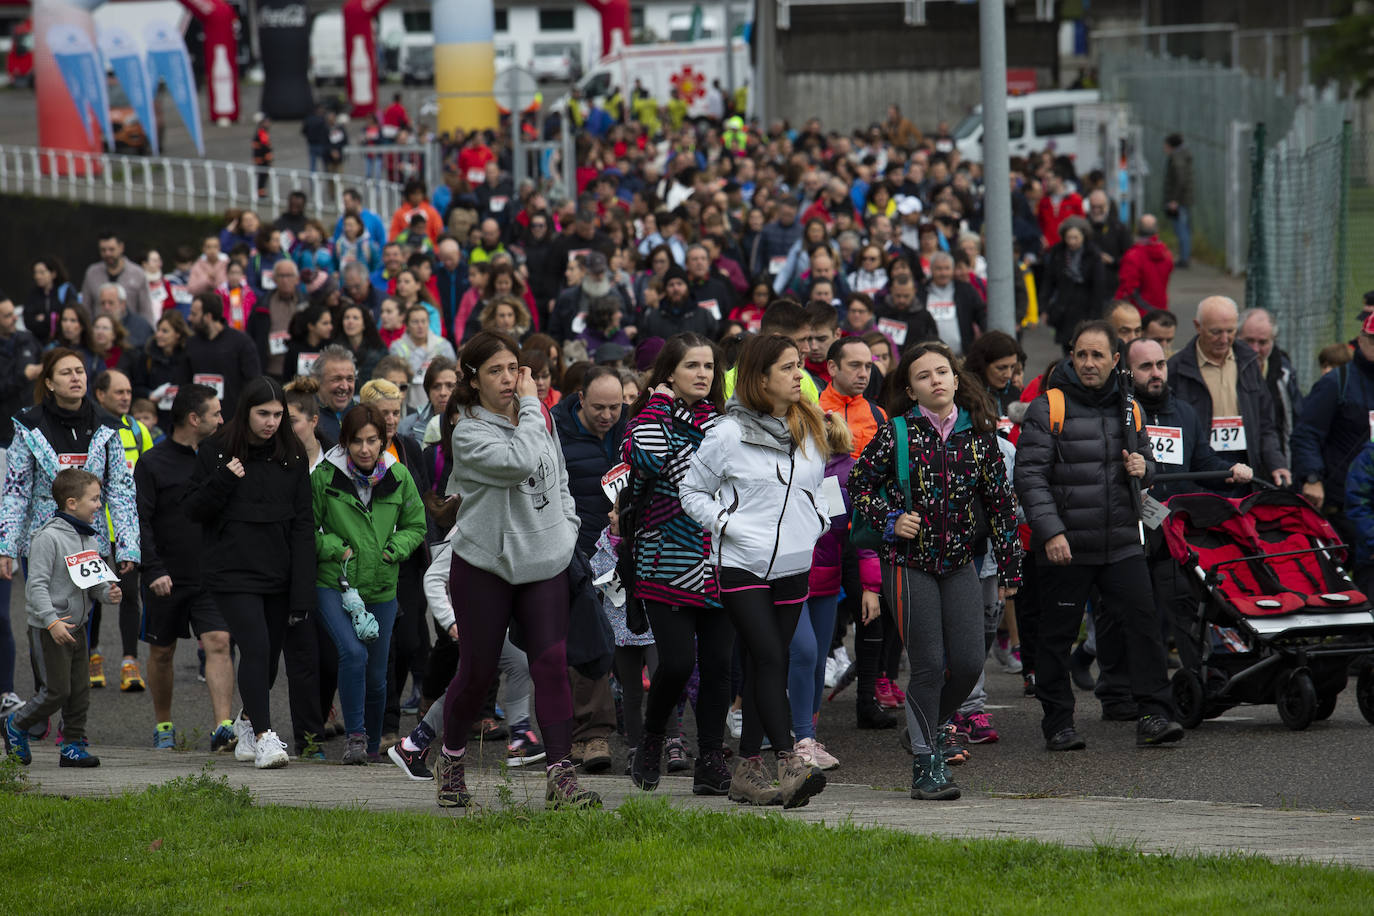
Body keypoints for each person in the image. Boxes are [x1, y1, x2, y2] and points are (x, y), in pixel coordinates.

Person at [434, 331, 600, 810]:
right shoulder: (467, 431)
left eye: (513, 368)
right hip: (485, 562)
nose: (508, 379)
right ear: (472, 378)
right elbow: (520, 461)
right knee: (478, 671)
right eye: (495, 371)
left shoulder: (537, 414)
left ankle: (561, 775)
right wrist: (531, 406)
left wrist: (565, 528)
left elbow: (557, 472)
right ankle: (451, 758)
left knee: (549, 663)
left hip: (544, 558)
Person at [850, 343, 1021, 799]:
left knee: (966, 664)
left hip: (960, 563)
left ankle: (924, 726)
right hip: (908, 565)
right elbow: (858, 485)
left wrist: (1009, 568)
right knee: (927, 665)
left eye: (942, 372)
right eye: (924, 376)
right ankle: (927, 765)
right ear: (911, 389)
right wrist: (890, 519)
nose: (936, 380)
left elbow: (1001, 505)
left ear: (957, 378)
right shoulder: (897, 434)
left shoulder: (979, 437)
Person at [1013, 320, 1184, 752]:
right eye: (1081, 354)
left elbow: (1147, 461)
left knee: (1144, 626)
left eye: (1097, 355)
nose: (1088, 363)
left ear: (1114, 360)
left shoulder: (1131, 408)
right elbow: (1029, 477)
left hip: (1123, 541)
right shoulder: (1047, 406)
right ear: (1072, 356)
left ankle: (1154, 713)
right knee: (1056, 635)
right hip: (1066, 547)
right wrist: (1051, 532)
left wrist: (1146, 468)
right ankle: (1059, 723)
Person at [679, 333, 831, 809]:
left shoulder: (810, 426)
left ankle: (746, 771)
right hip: (740, 562)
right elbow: (690, 493)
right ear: (760, 378)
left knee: (763, 660)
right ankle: (788, 762)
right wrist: (727, 525)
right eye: (788, 368)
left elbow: (818, 486)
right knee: (770, 657)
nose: (799, 375)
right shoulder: (726, 433)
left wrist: (819, 523)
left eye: (799, 366)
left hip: (793, 563)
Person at [183, 376, 317, 770]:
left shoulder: (291, 454)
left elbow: (303, 524)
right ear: (246, 412)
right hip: (231, 568)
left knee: (269, 660)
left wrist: (303, 587)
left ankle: (246, 721)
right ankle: (264, 735)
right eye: (263, 414)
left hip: (278, 567)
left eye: (278, 415)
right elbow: (192, 508)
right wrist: (223, 479)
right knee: (255, 647)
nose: (271, 422)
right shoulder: (216, 450)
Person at [0, 349, 140, 709]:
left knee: (80, 625)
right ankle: (41, 709)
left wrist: (127, 549)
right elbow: (15, 490)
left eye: (80, 370)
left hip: (87, 542)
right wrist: (6, 545)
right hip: (42, 544)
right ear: (49, 382)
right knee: (46, 625)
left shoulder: (108, 426)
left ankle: (73, 729)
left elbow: (122, 492)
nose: (76, 377)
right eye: (66, 373)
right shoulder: (28, 425)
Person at [311, 403, 425, 764]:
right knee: (353, 653)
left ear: (383, 440)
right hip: (335, 584)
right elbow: (305, 528)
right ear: (345, 441)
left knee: (378, 676)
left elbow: (416, 526)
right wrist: (335, 548)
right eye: (357, 441)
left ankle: (372, 746)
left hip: (381, 587)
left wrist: (394, 550)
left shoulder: (399, 475)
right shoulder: (324, 475)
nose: (364, 448)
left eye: (372, 440)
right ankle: (355, 737)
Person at [135, 384, 237, 752]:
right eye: (216, 413)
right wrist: (152, 569)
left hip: (211, 575)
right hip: (165, 576)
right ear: (194, 419)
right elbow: (141, 521)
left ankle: (223, 727)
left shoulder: (220, 456)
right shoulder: (152, 463)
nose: (222, 419)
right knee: (162, 652)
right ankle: (164, 724)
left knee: (219, 642)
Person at [3, 468, 121, 768]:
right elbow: (36, 586)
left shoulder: (90, 539)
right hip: (49, 629)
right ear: (71, 503)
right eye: (94, 499)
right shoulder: (47, 538)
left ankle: (73, 746)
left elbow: (93, 583)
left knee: (80, 692)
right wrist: (52, 621)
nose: (99, 505)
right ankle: (16, 724)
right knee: (56, 691)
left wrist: (108, 594)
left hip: (78, 627)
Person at [1167, 296, 1290, 487]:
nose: (1224, 340)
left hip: (1244, 468)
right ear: (1198, 326)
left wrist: (1276, 463)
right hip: (1200, 472)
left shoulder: (1249, 361)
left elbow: (1265, 423)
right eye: (1215, 332)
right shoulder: (1176, 368)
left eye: (1230, 331)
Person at [90, 369, 154, 691]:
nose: (126, 397)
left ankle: (130, 662)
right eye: (119, 392)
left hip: (128, 529)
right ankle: (92, 657)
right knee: (95, 596)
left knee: (130, 594)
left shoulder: (140, 431)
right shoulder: (90, 429)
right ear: (100, 395)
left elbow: (150, 478)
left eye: (129, 391)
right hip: (96, 528)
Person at [1292, 311, 1374, 538]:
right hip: (1340, 504)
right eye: (1373, 340)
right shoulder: (1336, 382)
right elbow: (1306, 434)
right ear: (1361, 340)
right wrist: (1312, 478)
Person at [1238, 307, 1302, 472]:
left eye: (1262, 342)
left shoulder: (1284, 373)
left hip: (1276, 466)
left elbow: (1294, 421)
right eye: (1249, 341)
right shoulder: (1228, 372)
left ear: (1273, 340)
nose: (1255, 349)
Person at [186, 292, 263, 417]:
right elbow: (184, 383)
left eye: (194, 314)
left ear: (208, 316)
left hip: (232, 420)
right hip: (198, 420)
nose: (189, 318)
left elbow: (253, 383)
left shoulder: (241, 342)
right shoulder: (190, 343)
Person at [1043, 219, 1107, 352]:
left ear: (1083, 237)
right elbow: (1049, 281)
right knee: (1067, 347)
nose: (1072, 242)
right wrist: (1043, 307)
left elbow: (1099, 287)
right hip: (1063, 308)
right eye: (1069, 238)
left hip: (1085, 308)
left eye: (1075, 238)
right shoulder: (1058, 253)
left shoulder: (1093, 255)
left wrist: (1095, 314)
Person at [389, 305, 457, 411]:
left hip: (441, 403)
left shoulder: (443, 345)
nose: (420, 326)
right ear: (406, 325)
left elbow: (454, 375)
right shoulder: (397, 347)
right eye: (415, 322)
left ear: (429, 323)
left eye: (423, 321)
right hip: (410, 404)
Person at [81, 232, 153, 325]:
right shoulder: (92, 273)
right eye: (103, 250)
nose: (107, 254)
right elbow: (86, 308)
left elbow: (146, 310)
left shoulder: (138, 274)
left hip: (130, 331)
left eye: (111, 249)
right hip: (100, 330)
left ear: (121, 247)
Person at [1114, 215, 1173, 311]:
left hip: (1139, 311)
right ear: (1157, 229)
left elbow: (1127, 288)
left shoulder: (1133, 255)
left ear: (1137, 230)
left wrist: (1116, 308)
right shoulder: (1166, 254)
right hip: (1161, 309)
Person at [24, 257, 78, 346]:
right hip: (39, 343)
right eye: (35, 273)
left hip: (63, 342)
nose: (37, 276)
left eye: (42, 272)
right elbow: (28, 320)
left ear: (53, 274)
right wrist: (52, 317)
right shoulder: (33, 294)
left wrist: (45, 318)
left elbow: (69, 315)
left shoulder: (65, 290)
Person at [336, 303, 387, 385]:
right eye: (346, 318)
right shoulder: (334, 350)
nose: (350, 321)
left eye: (355, 318)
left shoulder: (378, 348)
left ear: (364, 324)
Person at [1163, 133, 1193, 268]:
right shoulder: (1182, 156)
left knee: (1181, 229)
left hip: (1179, 200)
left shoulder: (1177, 158)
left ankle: (1184, 259)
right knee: (1184, 229)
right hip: (1184, 199)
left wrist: (1174, 200)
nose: (1164, 148)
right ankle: (1184, 257)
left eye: (1166, 145)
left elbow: (1180, 179)